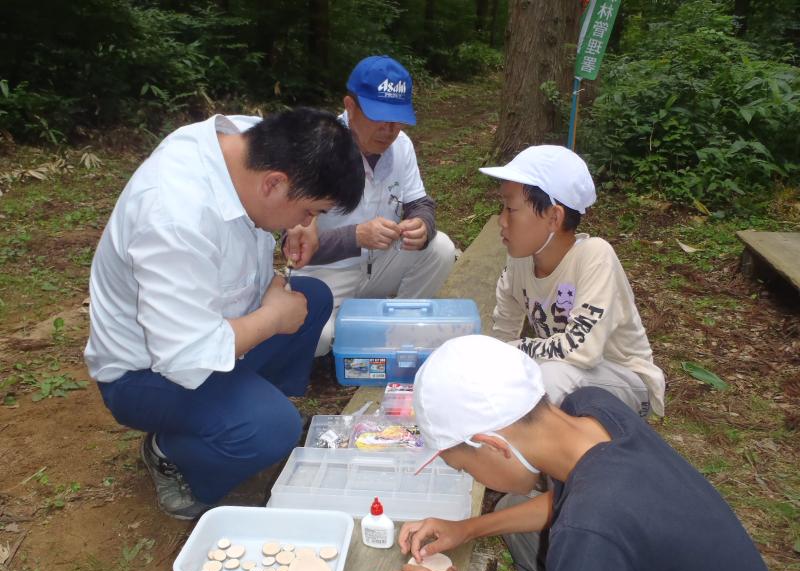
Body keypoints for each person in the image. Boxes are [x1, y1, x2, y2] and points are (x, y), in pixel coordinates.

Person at [84, 108, 364, 519]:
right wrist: (273, 317)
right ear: (274, 184)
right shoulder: (173, 218)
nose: (310, 222)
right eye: (311, 211)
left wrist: (299, 226)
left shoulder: (247, 143)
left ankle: (244, 411)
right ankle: (172, 454)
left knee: (313, 299)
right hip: (145, 372)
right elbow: (184, 356)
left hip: (211, 324)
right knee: (274, 426)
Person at [391, 335, 775, 571]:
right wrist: (468, 528)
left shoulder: (589, 530)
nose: (474, 479)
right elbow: (564, 500)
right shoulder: (590, 409)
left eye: (466, 469)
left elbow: (587, 518)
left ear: (494, 446)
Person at [286, 55, 457, 356]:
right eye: (379, 116)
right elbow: (293, 246)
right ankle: (350, 330)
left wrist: (421, 223)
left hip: (377, 267)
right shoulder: (316, 149)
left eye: (397, 119)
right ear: (350, 108)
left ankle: (397, 330)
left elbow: (419, 201)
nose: (389, 129)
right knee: (317, 341)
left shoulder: (400, 145)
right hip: (325, 274)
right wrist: (356, 237)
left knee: (440, 248)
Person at [482, 145, 665, 416]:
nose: (501, 220)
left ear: (554, 217)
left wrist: (514, 349)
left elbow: (583, 352)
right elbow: (503, 336)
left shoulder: (594, 256)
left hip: (626, 382)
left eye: (511, 208)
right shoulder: (518, 263)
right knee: (528, 373)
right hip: (562, 372)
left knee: (550, 377)